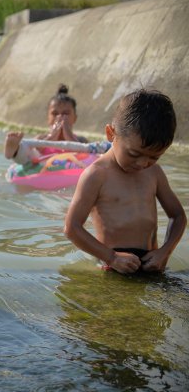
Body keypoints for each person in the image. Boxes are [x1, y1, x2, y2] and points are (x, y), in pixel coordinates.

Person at [63, 89, 186, 274]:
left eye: (154, 157)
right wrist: (111, 257)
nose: (143, 163)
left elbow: (178, 216)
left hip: (152, 263)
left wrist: (165, 252)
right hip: (113, 266)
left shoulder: (154, 173)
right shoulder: (97, 175)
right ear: (111, 134)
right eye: (134, 154)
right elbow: (72, 228)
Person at [5, 84, 89, 164]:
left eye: (65, 114)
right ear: (48, 118)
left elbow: (87, 154)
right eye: (55, 114)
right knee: (30, 151)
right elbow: (36, 150)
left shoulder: (81, 140)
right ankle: (16, 151)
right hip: (43, 167)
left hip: (73, 168)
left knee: (87, 150)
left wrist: (68, 135)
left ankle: (17, 152)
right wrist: (52, 136)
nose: (60, 117)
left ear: (75, 118)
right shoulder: (41, 138)